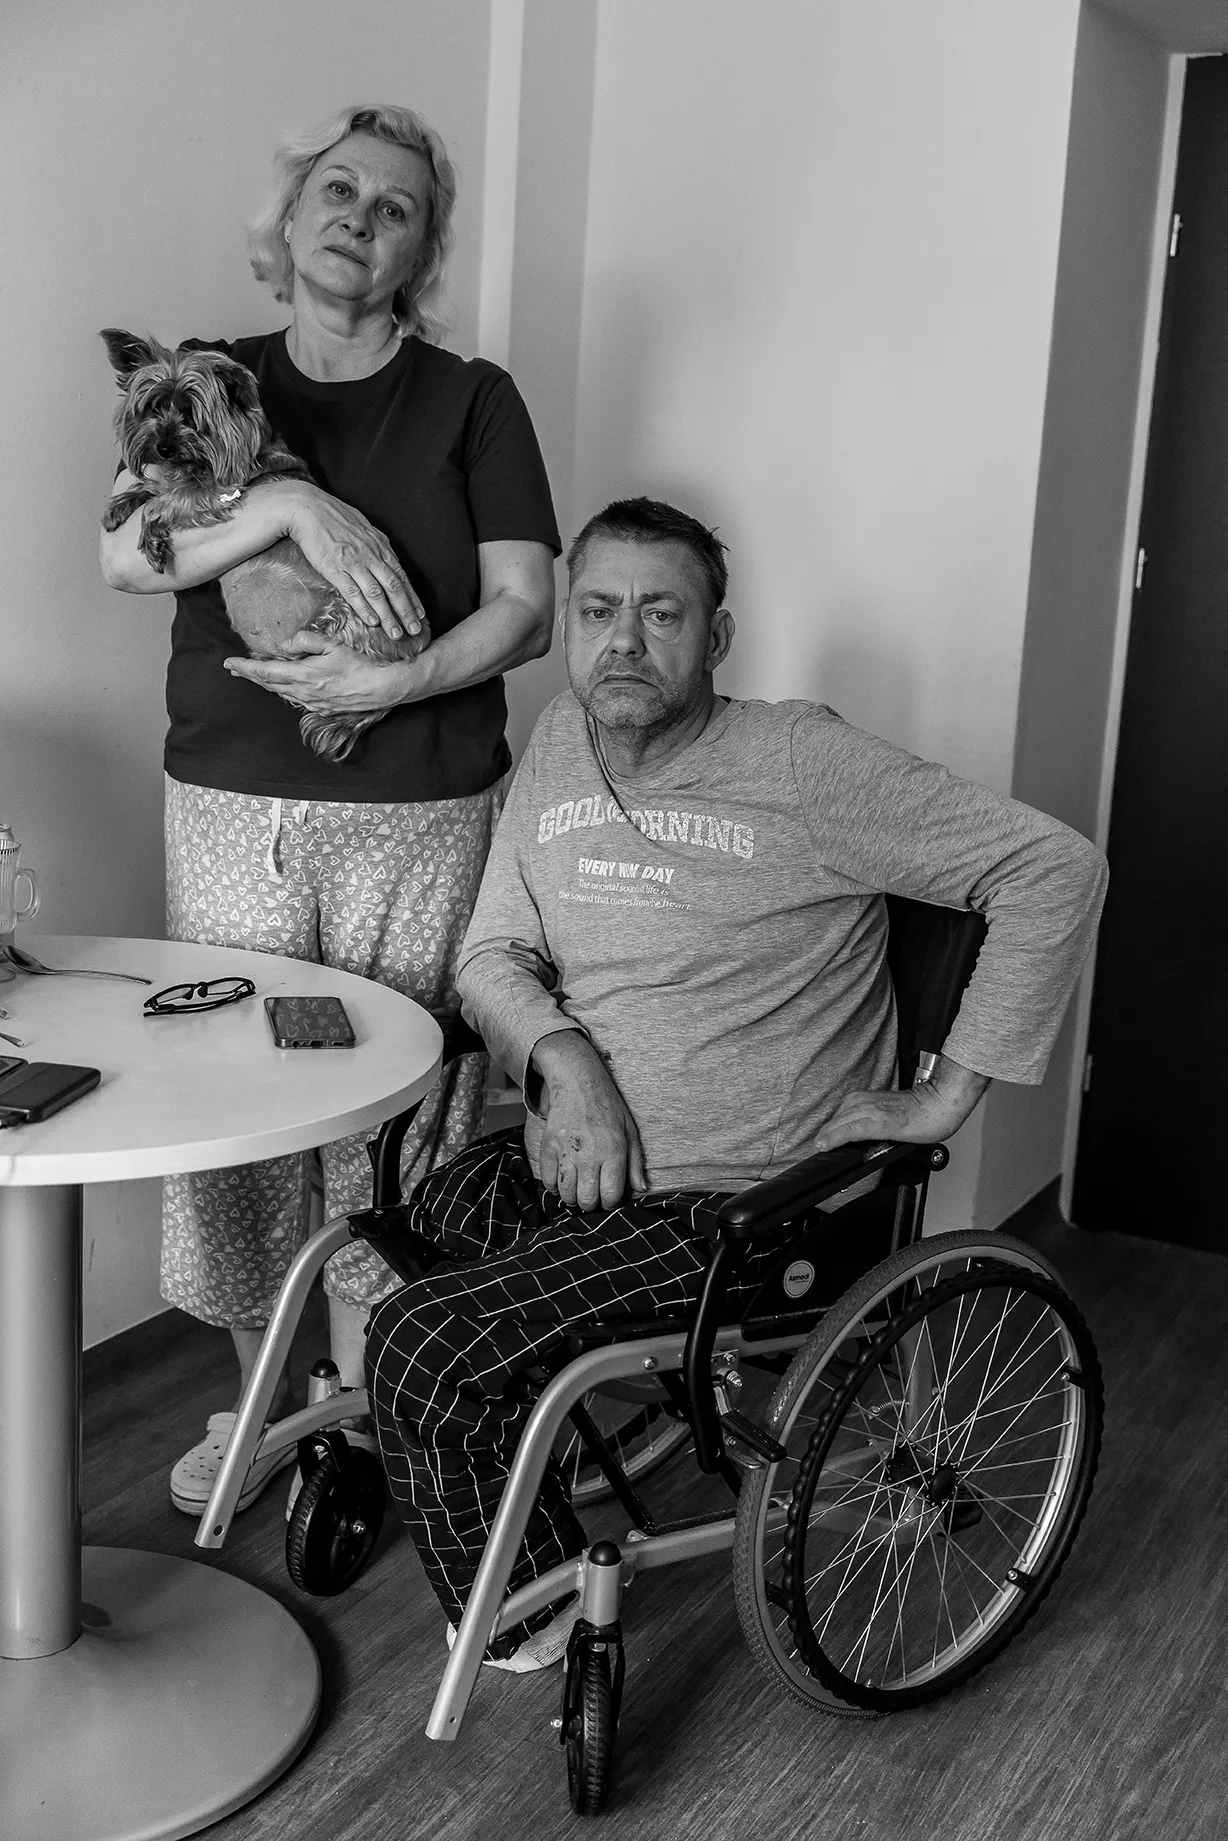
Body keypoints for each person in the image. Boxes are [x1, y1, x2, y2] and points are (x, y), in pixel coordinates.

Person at [364, 495, 1108, 1670]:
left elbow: (1053, 868)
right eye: (599, 610)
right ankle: (533, 1510)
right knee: (437, 1211)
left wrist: (943, 1097)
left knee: (418, 1341)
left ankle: (537, 1609)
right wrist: (565, 1065)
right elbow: (490, 953)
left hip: (740, 1208)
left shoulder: (802, 763)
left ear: (715, 640)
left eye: (662, 614)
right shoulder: (559, 737)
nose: (625, 641)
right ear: (566, 622)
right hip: (587, 1160)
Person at [99, 103, 559, 1516]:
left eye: (399, 204)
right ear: (289, 226)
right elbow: (125, 553)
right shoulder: (206, 378)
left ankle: (363, 1411)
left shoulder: (474, 398)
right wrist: (299, 515)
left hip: (419, 807)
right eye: (339, 191)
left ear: (419, 251)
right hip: (235, 801)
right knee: (240, 1101)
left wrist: (396, 677)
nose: (363, 215)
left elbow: (528, 608)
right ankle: (261, 1396)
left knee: (388, 1112)